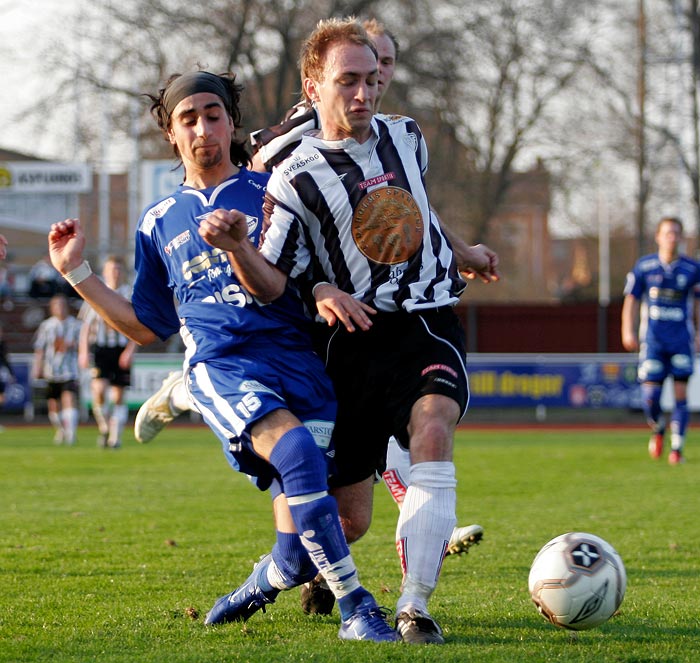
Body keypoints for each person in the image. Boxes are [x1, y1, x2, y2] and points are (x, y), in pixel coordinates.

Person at [47, 70, 398, 643]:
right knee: (300, 455)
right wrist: (77, 274)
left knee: (319, 538)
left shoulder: (274, 192)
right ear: (171, 135)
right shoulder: (158, 221)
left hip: (300, 361)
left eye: (214, 115)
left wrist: (309, 282)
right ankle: (358, 607)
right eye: (189, 119)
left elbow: (304, 277)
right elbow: (145, 326)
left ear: (232, 123)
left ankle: (264, 581)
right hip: (225, 364)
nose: (204, 129)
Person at [134, 19, 485, 582]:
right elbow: (266, 232)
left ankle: (345, 569)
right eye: (358, 75)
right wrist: (317, 284)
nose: (374, 86)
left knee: (378, 482)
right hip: (302, 327)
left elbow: (408, 205)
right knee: (323, 482)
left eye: (384, 70)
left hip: (388, 321)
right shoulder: (282, 153)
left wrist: (461, 249)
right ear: (316, 83)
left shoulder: (399, 136)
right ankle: (193, 388)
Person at [621, 216, 700, 465]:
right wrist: (628, 331)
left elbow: (698, 303)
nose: (672, 237)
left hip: (681, 341)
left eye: (676, 233)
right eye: (667, 233)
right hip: (653, 342)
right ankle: (658, 428)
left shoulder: (691, 268)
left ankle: (677, 448)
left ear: (681, 237)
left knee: (680, 393)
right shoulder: (644, 267)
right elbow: (631, 301)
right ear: (658, 237)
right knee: (650, 398)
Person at [78, 255, 137, 448]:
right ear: (104, 272)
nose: (115, 273)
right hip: (101, 349)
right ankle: (104, 427)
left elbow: (137, 326)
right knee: (99, 391)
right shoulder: (96, 292)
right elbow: (86, 326)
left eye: (118, 269)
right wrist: (84, 351)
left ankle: (115, 438)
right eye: (112, 269)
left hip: (121, 349)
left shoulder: (130, 294)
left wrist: (130, 351)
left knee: (118, 396)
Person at [32, 294, 82, 444]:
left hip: (70, 370)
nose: (60, 308)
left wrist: (72, 345)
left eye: (62, 305)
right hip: (51, 371)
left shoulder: (76, 325)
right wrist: (37, 367)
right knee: (53, 406)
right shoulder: (47, 326)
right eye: (56, 305)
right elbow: (40, 348)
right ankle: (61, 430)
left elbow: (84, 345)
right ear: (52, 308)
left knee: (69, 398)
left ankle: (71, 434)